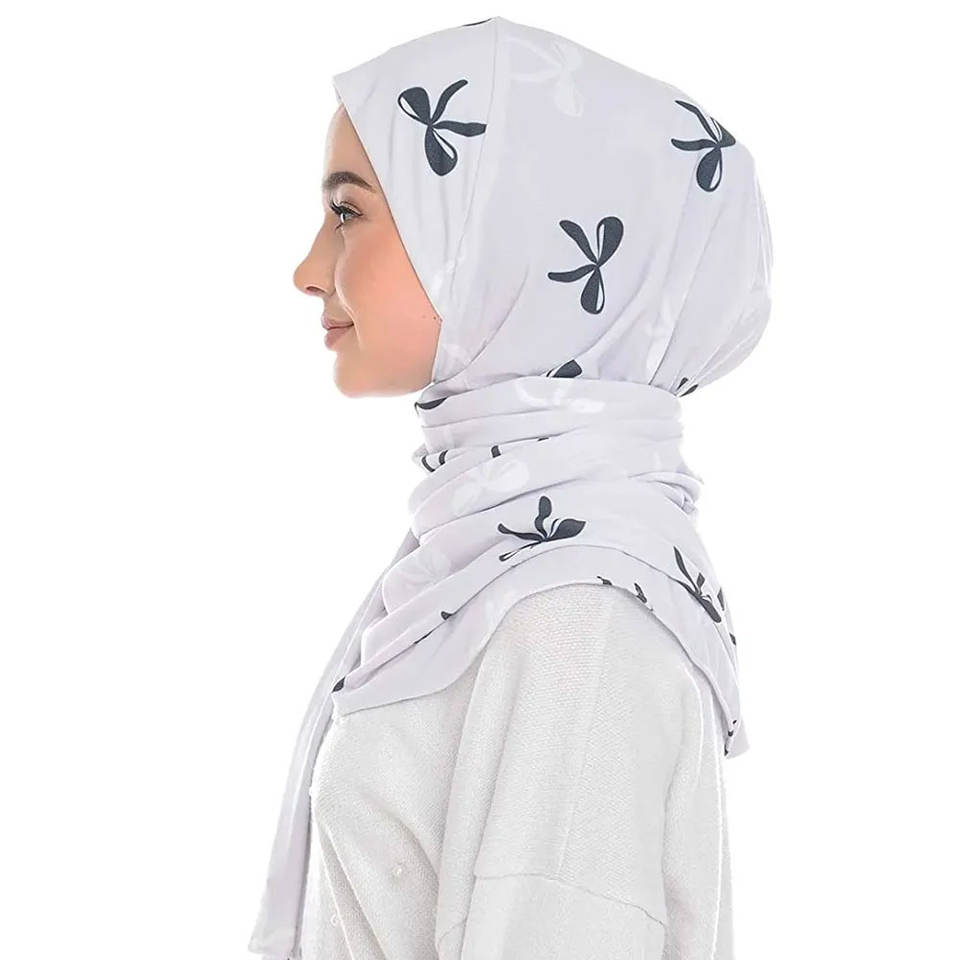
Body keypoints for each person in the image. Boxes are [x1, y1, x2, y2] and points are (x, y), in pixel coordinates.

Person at [250, 15, 772, 960]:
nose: (307, 269)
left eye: (348, 213)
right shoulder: (487, 566)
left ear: (499, 234)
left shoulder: (576, 621)